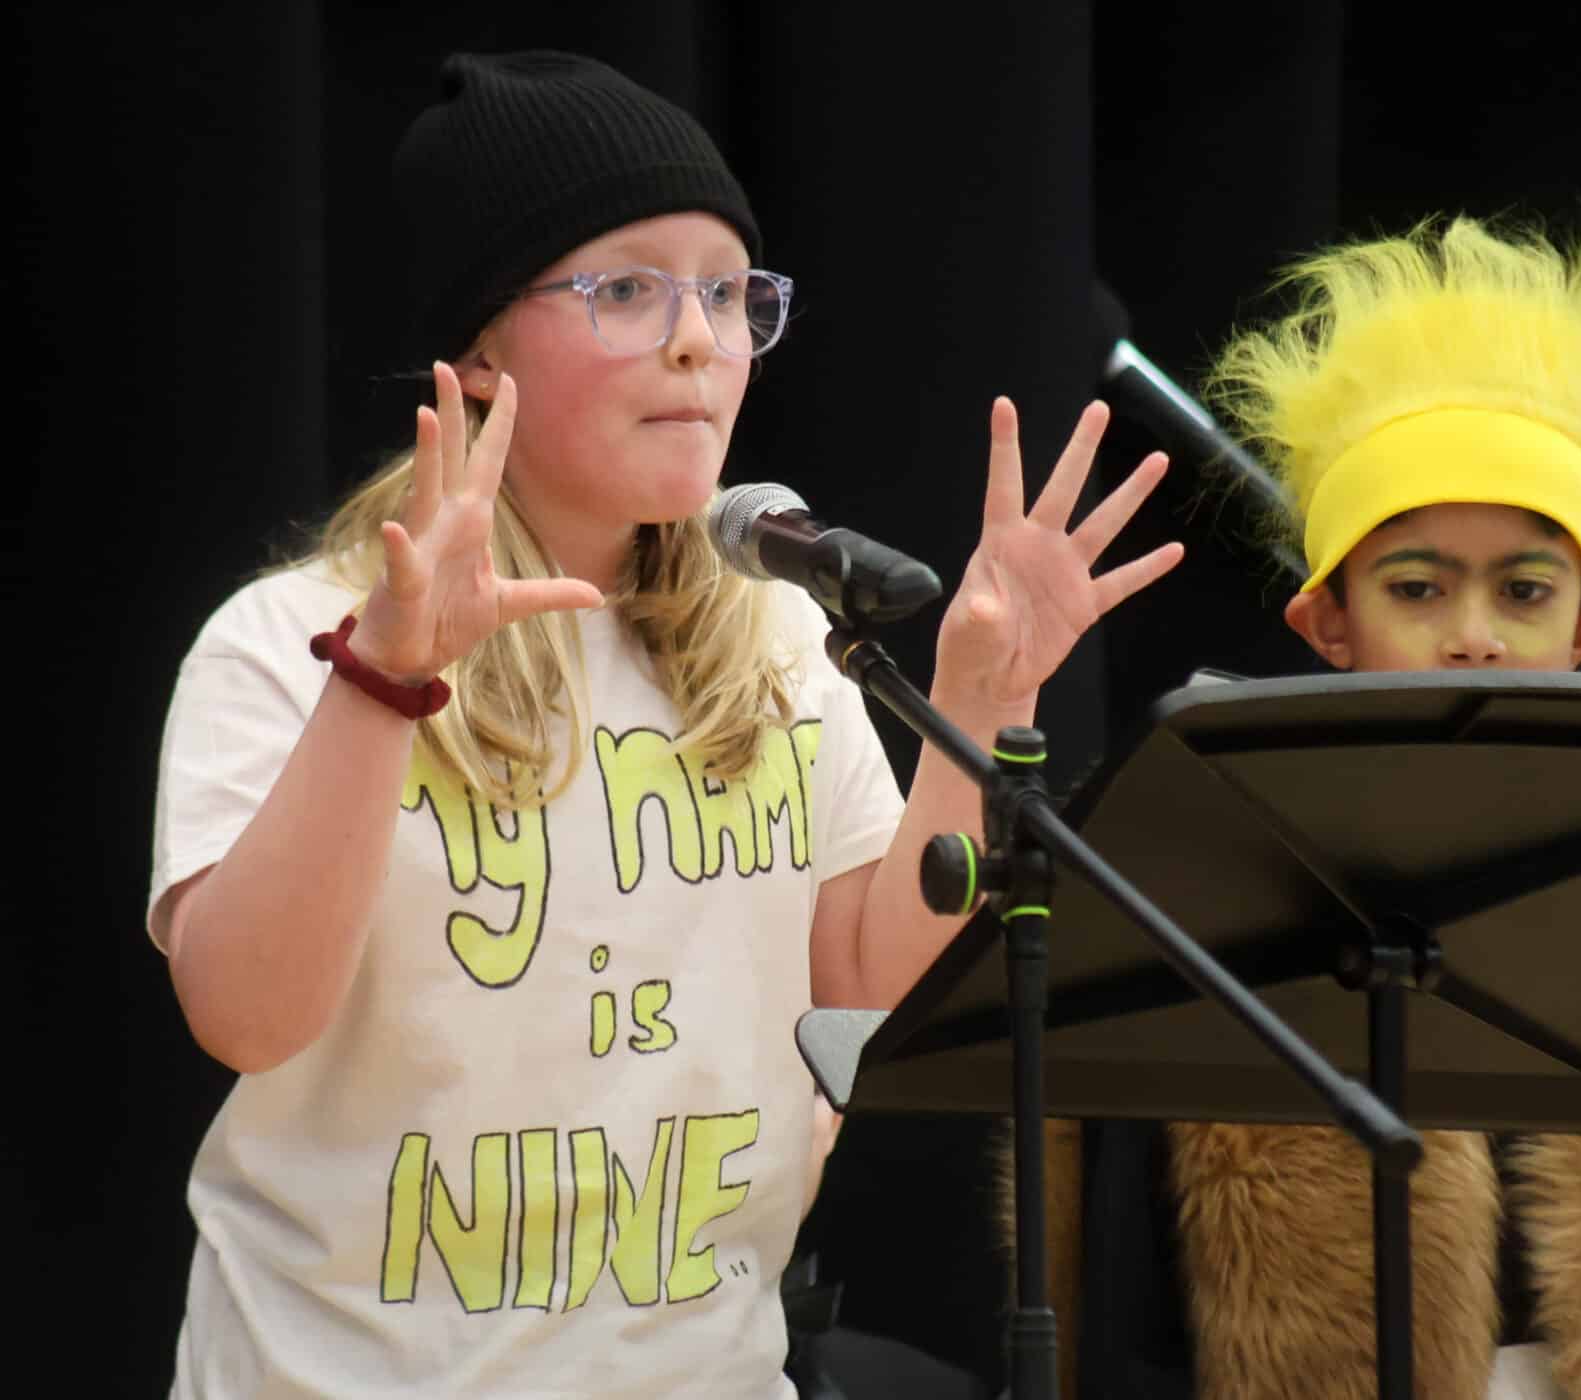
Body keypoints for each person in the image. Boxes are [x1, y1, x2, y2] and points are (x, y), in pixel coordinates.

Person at [147, 50, 1180, 1399]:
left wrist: (982, 707)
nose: (700, 337)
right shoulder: (287, 641)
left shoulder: (774, 632)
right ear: (476, 349)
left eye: (728, 291)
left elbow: (868, 989)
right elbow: (245, 1017)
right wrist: (384, 680)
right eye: (626, 289)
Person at [1032, 216, 1581, 1399]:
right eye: (1417, 586)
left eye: (1526, 589)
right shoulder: (1201, 901)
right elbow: (1121, 1327)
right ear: (1329, 624)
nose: (1476, 633)